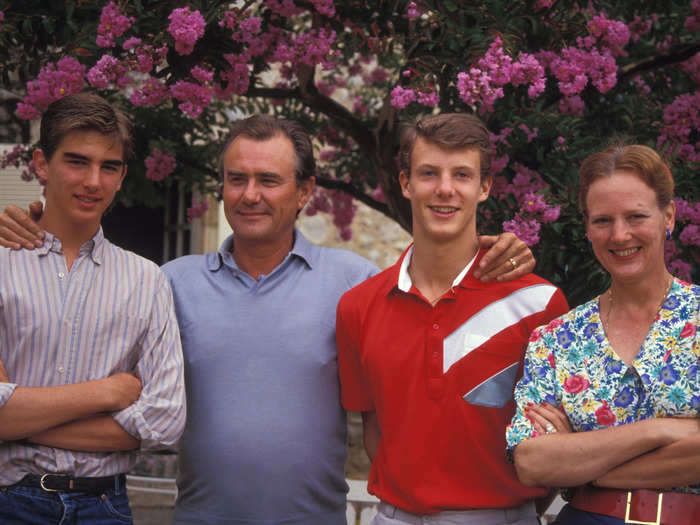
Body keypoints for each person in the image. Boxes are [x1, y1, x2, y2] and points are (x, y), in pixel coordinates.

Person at [0, 113, 536, 525]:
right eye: (237, 179)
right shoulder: (171, 282)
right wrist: (29, 220)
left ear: (305, 191)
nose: (250, 195)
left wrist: (496, 253)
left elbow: (428, 301)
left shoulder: (354, 283)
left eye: (269, 180)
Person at [336, 113, 569, 525]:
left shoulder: (539, 304)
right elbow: (375, 430)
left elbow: (558, 439)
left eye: (461, 174)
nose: (445, 189)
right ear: (405, 183)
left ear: (484, 187)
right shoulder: (358, 307)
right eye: (429, 174)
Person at [0, 93, 186, 525]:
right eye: (77, 161)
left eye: (109, 166)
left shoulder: (146, 279)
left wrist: (15, 420)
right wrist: (107, 393)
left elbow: (164, 421)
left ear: (122, 176)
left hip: (106, 508)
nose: (93, 181)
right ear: (42, 164)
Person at [506, 143, 700, 525]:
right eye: (603, 221)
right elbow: (531, 461)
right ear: (587, 228)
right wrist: (658, 431)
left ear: (669, 216)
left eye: (636, 216)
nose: (620, 234)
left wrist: (585, 467)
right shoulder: (556, 339)